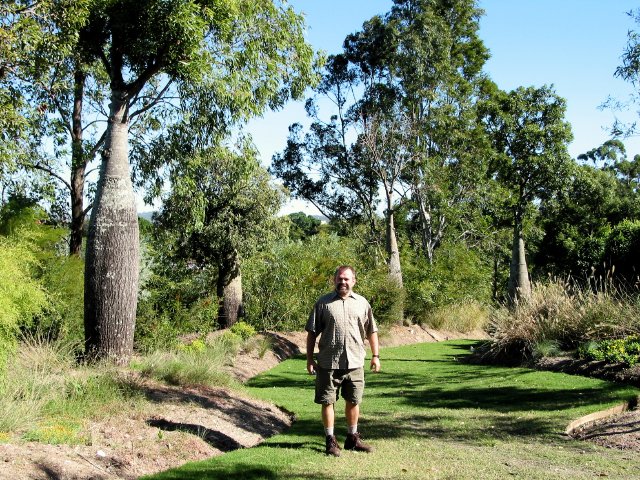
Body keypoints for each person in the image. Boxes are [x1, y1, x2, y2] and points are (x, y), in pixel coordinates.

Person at [305, 265, 381, 457]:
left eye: (347, 279)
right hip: (328, 363)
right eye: (340, 278)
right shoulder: (323, 303)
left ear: (354, 281)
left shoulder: (363, 303)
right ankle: (330, 441)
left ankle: (352, 438)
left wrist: (375, 356)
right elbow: (312, 333)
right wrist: (309, 359)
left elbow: (372, 331)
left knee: (353, 401)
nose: (343, 282)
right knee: (327, 401)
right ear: (334, 280)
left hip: (355, 361)